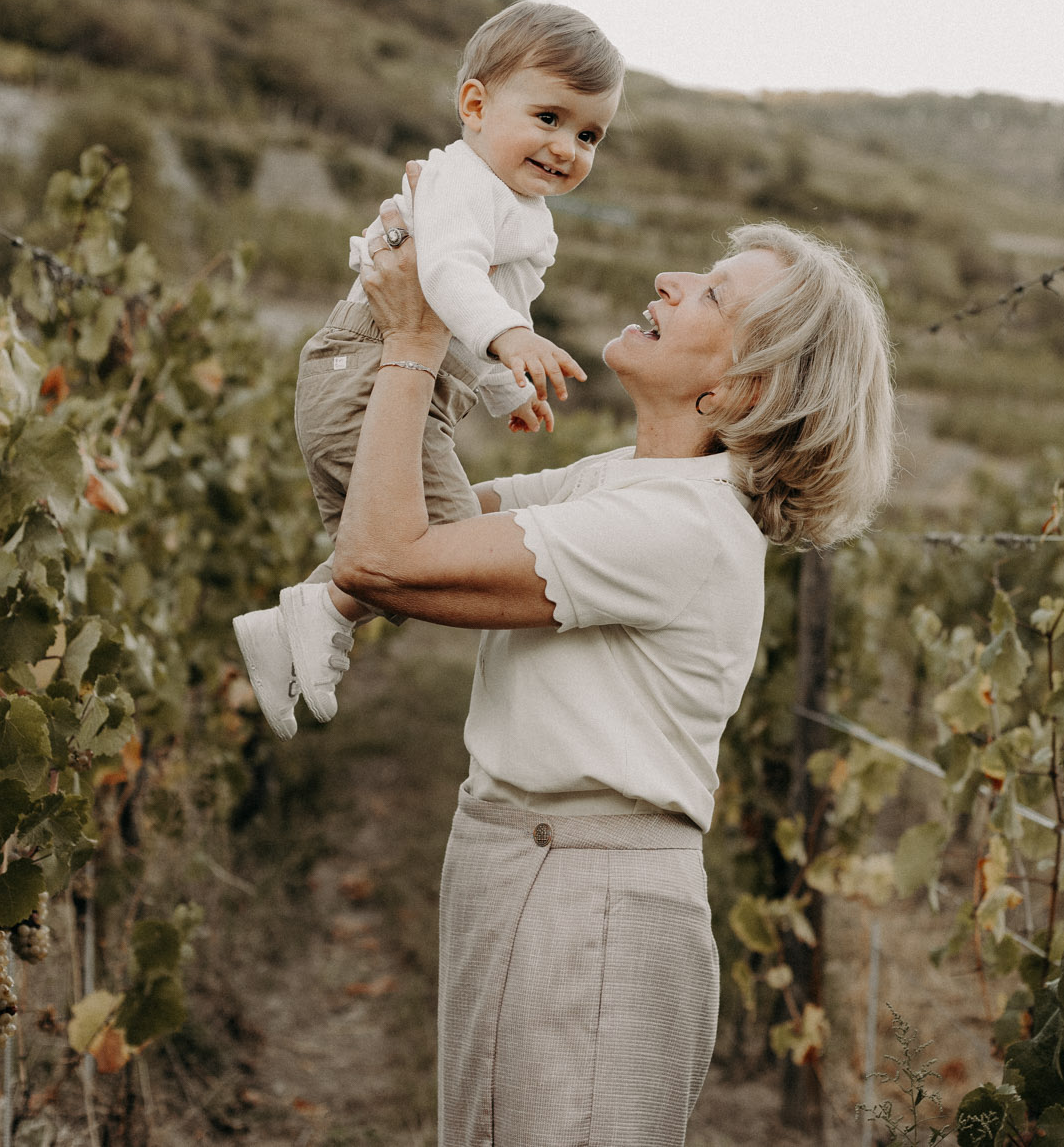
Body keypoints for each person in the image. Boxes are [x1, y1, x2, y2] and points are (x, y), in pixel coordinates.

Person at [331, 200, 895, 1147]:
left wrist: (416, 342)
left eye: (713, 293)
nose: (673, 279)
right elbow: (411, 515)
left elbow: (381, 559)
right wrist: (456, 293)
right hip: (523, 870)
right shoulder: (623, 480)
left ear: (741, 392)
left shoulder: (676, 529)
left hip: (584, 907)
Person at [233, 1, 624, 733]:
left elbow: (498, 291)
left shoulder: (520, 207)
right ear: (475, 105)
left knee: (399, 546)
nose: (566, 146)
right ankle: (321, 611)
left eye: (589, 134)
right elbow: (445, 273)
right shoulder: (465, 182)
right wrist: (509, 340)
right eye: (548, 117)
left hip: (403, 380)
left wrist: (506, 382)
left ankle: (304, 619)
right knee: (433, 546)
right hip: (367, 369)